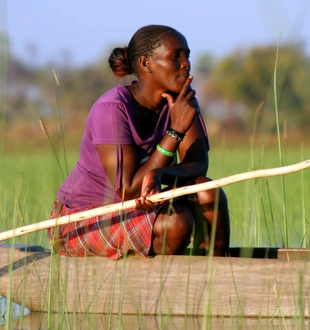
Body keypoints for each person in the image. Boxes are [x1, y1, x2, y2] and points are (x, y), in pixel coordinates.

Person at [47, 24, 230, 259]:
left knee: (208, 192)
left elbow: (197, 164)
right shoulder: (112, 109)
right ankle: (157, 283)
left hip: (138, 209)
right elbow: (129, 192)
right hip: (82, 220)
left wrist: (161, 175)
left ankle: (213, 277)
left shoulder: (182, 101)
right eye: (175, 56)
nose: (186, 63)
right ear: (146, 64)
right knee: (176, 223)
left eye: (187, 55)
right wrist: (174, 131)